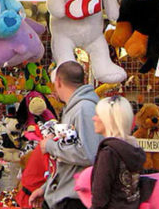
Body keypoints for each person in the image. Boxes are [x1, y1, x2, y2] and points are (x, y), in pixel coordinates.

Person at [29, 61, 100, 209]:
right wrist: (46, 188)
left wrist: (50, 146)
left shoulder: (84, 109)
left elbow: (88, 153)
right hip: (64, 195)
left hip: (76, 198)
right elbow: (68, 160)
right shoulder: (74, 108)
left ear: (59, 82)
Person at [89, 95, 146, 209]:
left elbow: (100, 196)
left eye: (98, 115)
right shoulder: (132, 148)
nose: (93, 118)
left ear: (108, 119)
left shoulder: (108, 153)